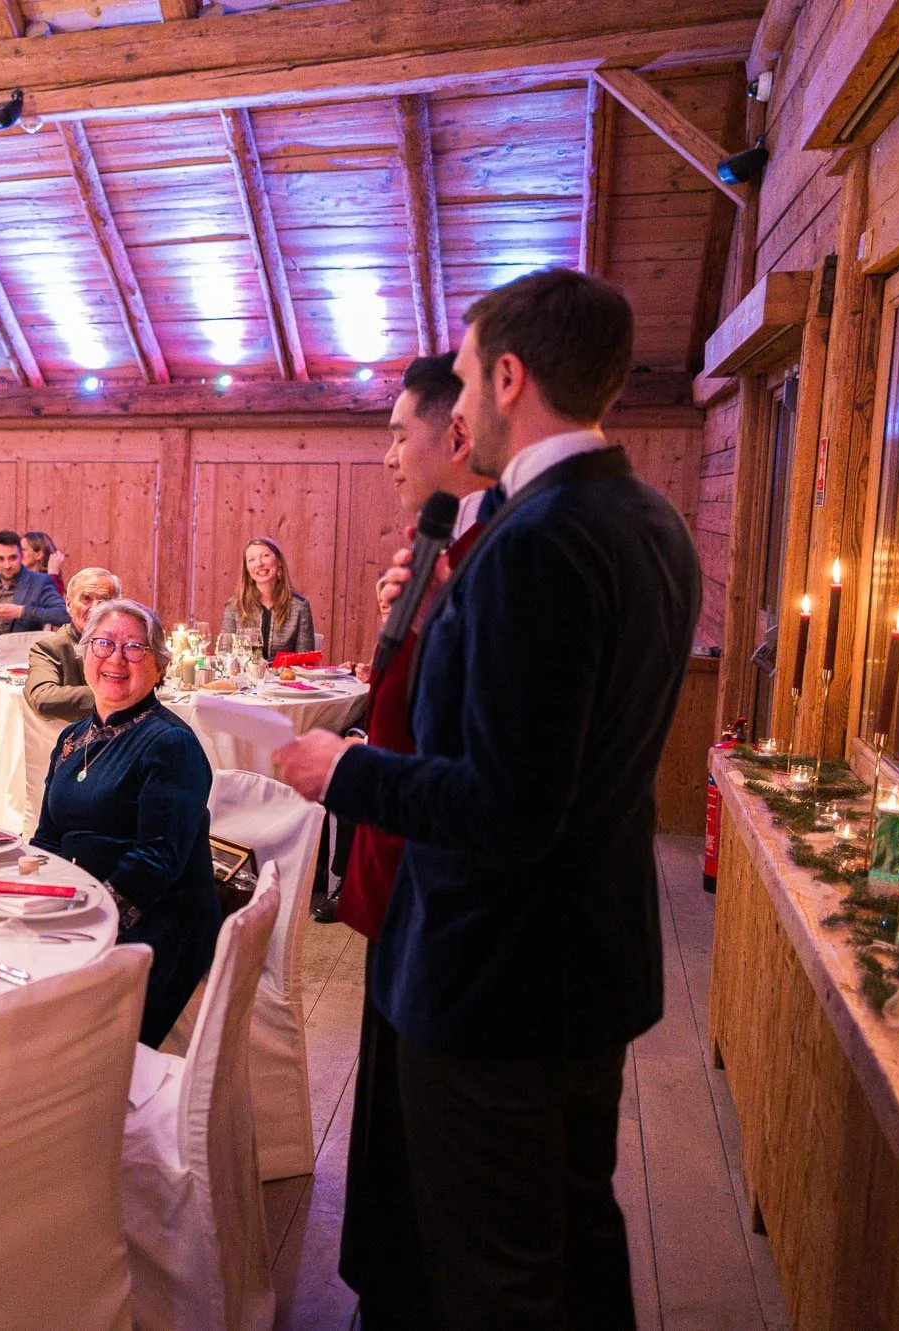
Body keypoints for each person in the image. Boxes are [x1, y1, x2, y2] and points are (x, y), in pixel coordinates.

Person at [276, 268, 699, 1331]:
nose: (458, 406)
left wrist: (347, 771)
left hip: (496, 978)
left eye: (464, 379)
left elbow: (509, 803)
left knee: (494, 1275)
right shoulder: (647, 517)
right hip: (586, 962)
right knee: (576, 1242)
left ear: (509, 377)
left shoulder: (537, 540)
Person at [330, 351, 493, 1330]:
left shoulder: (496, 552)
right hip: (402, 856)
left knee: (426, 1125)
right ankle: (383, 1285)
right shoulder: (442, 544)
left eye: (398, 433)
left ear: (454, 433)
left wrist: (345, 769)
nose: (387, 453)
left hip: (436, 872)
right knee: (389, 1103)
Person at [32, 599, 216, 1048]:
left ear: (159, 666)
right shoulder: (73, 738)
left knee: (60, 1033)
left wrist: (90, 925)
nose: (116, 658)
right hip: (82, 910)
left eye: (135, 648)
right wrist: (32, 901)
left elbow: (157, 861)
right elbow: (47, 839)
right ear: (85, 654)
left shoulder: (170, 743)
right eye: (104, 644)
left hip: (154, 925)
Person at [25, 566, 121, 723]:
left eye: (103, 601)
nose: (94, 608)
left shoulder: (126, 646)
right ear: (69, 604)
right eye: (86, 599)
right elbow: (42, 698)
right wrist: (115, 694)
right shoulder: (51, 648)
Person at [220, 536, 315, 658]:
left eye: (265, 556)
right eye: (252, 559)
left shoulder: (299, 606)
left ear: (279, 561)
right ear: (247, 568)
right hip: (244, 671)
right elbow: (225, 655)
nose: (259, 563)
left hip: (285, 671)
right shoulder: (235, 606)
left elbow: (305, 660)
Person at [0, 530, 69, 633]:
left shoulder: (39, 582)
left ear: (21, 556)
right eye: (0, 559)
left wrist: (21, 612)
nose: (7, 565)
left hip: (19, 642)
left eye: (12, 558)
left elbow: (64, 615)